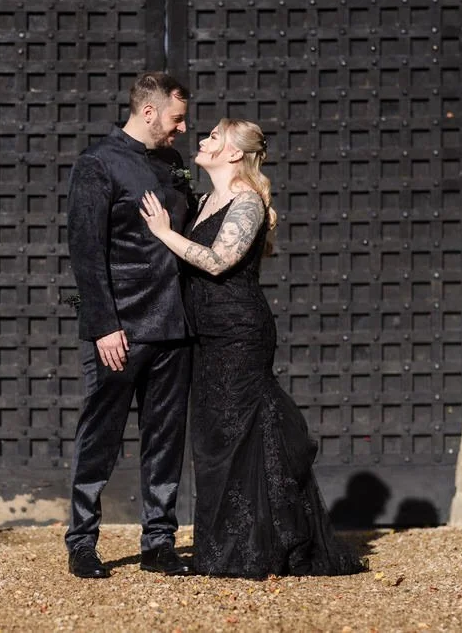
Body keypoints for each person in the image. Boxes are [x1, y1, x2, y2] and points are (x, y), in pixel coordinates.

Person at [140, 118, 366, 578]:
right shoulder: (204, 200)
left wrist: (165, 234)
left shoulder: (247, 203)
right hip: (207, 334)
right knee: (214, 438)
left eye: (213, 138)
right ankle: (227, 546)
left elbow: (220, 262)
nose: (201, 141)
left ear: (235, 153)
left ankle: (259, 547)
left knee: (241, 434)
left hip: (240, 332)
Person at [64, 72, 194, 579]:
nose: (182, 129)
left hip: (173, 327)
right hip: (120, 330)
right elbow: (86, 251)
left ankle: (158, 542)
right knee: (101, 436)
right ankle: (82, 541)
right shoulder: (98, 164)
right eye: (176, 118)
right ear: (148, 112)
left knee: (165, 438)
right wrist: (103, 325)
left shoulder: (173, 163)